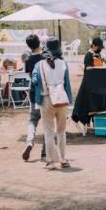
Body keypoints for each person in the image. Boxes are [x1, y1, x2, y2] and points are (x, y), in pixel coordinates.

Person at [31, 38, 73, 169]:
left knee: (48, 132)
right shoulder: (63, 64)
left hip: (46, 100)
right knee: (61, 131)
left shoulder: (39, 65)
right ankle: (63, 159)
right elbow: (67, 84)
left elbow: (34, 81)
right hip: (62, 100)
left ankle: (51, 161)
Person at [22, 34, 45, 162]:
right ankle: (45, 152)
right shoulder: (45, 58)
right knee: (48, 123)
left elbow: (31, 76)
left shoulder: (28, 59)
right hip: (46, 93)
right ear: (39, 42)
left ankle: (30, 142)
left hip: (33, 92)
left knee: (33, 119)